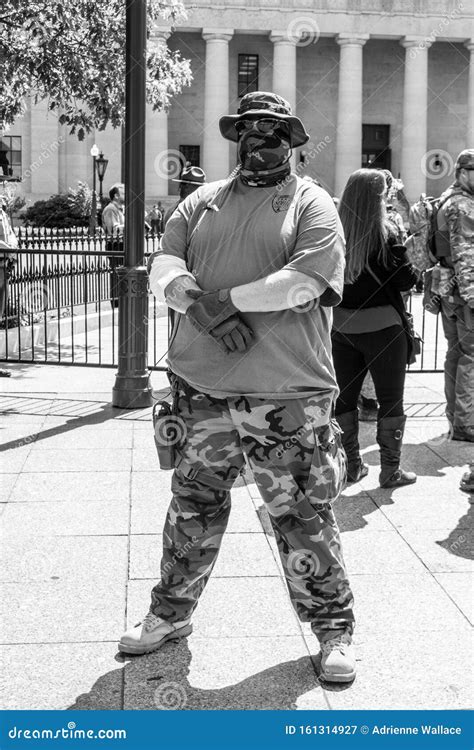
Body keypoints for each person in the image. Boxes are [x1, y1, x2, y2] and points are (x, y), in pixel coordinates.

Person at [120, 91, 356, 683]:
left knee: (303, 515)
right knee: (192, 508)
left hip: (287, 395)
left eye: (273, 130)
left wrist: (225, 301)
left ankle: (333, 632)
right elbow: (164, 266)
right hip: (200, 390)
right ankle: (169, 615)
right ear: (236, 138)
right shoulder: (200, 203)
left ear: (294, 141)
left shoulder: (313, 204)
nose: (260, 139)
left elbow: (305, 282)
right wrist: (198, 306)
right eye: (249, 129)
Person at [332, 168, 418, 488]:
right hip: (384, 329)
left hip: (341, 328)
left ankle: (352, 465)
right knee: (390, 400)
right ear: (380, 198)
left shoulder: (333, 232)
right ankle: (390, 470)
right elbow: (408, 280)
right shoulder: (388, 233)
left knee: (344, 401)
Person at [358, 170, 409, 422]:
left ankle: (352, 460)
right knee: (390, 393)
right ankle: (370, 402)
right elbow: (404, 277)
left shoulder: (342, 225)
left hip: (344, 318)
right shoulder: (389, 225)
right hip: (383, 313)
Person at [433, 148, 474, 443]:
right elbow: (465, 254)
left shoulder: (445, 200)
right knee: (469, 358)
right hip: (465, 292)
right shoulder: (462, 205)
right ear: (462, 172)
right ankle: (465, 423)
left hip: (450, 291)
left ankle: (457, 417)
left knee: (457, 355)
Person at [0, 196, 18, 377]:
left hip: (4, 266)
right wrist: (6, 246)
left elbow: (10, 233)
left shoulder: (3, 211)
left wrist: (13, 243)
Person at [101, 184, 124, 309]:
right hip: (115, 246)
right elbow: (114, 231)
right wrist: (132, 224)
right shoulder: (110, 209)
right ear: (116, 195)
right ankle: (116, 304)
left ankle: (122, 301)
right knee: (116, 274)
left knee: (122, 274)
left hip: (122, 245)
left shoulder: (121, 209)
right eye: (123, 192)